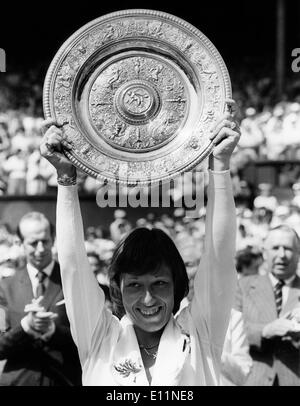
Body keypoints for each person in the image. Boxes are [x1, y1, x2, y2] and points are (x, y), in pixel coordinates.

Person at [40, 99, 240, 386]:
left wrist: (220, 165)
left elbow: (220, 258)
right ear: (118, 289)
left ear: (178, 286)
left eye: (159, 283)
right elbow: (72, 266)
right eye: (134, 285)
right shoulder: (100, 339)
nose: (148, 299)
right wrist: (66, 178)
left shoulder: (200, 334)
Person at [0, 212, 82, 386]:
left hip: (64, 380)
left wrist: (53, 331)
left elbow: (90, 339)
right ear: (20, 243)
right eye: (32, 243)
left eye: (44, 241)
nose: (40, 249)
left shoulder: (75, 281)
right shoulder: (5, 288)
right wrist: (26, 327)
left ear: (53, 239)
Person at [236, 225, 300, 385]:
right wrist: (265, 331)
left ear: (298, 254)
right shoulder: (242, 287)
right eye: (275, 248)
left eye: (288, 248)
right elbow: (227, 332)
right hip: (252, 379)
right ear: (264, 253)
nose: (282, 255)